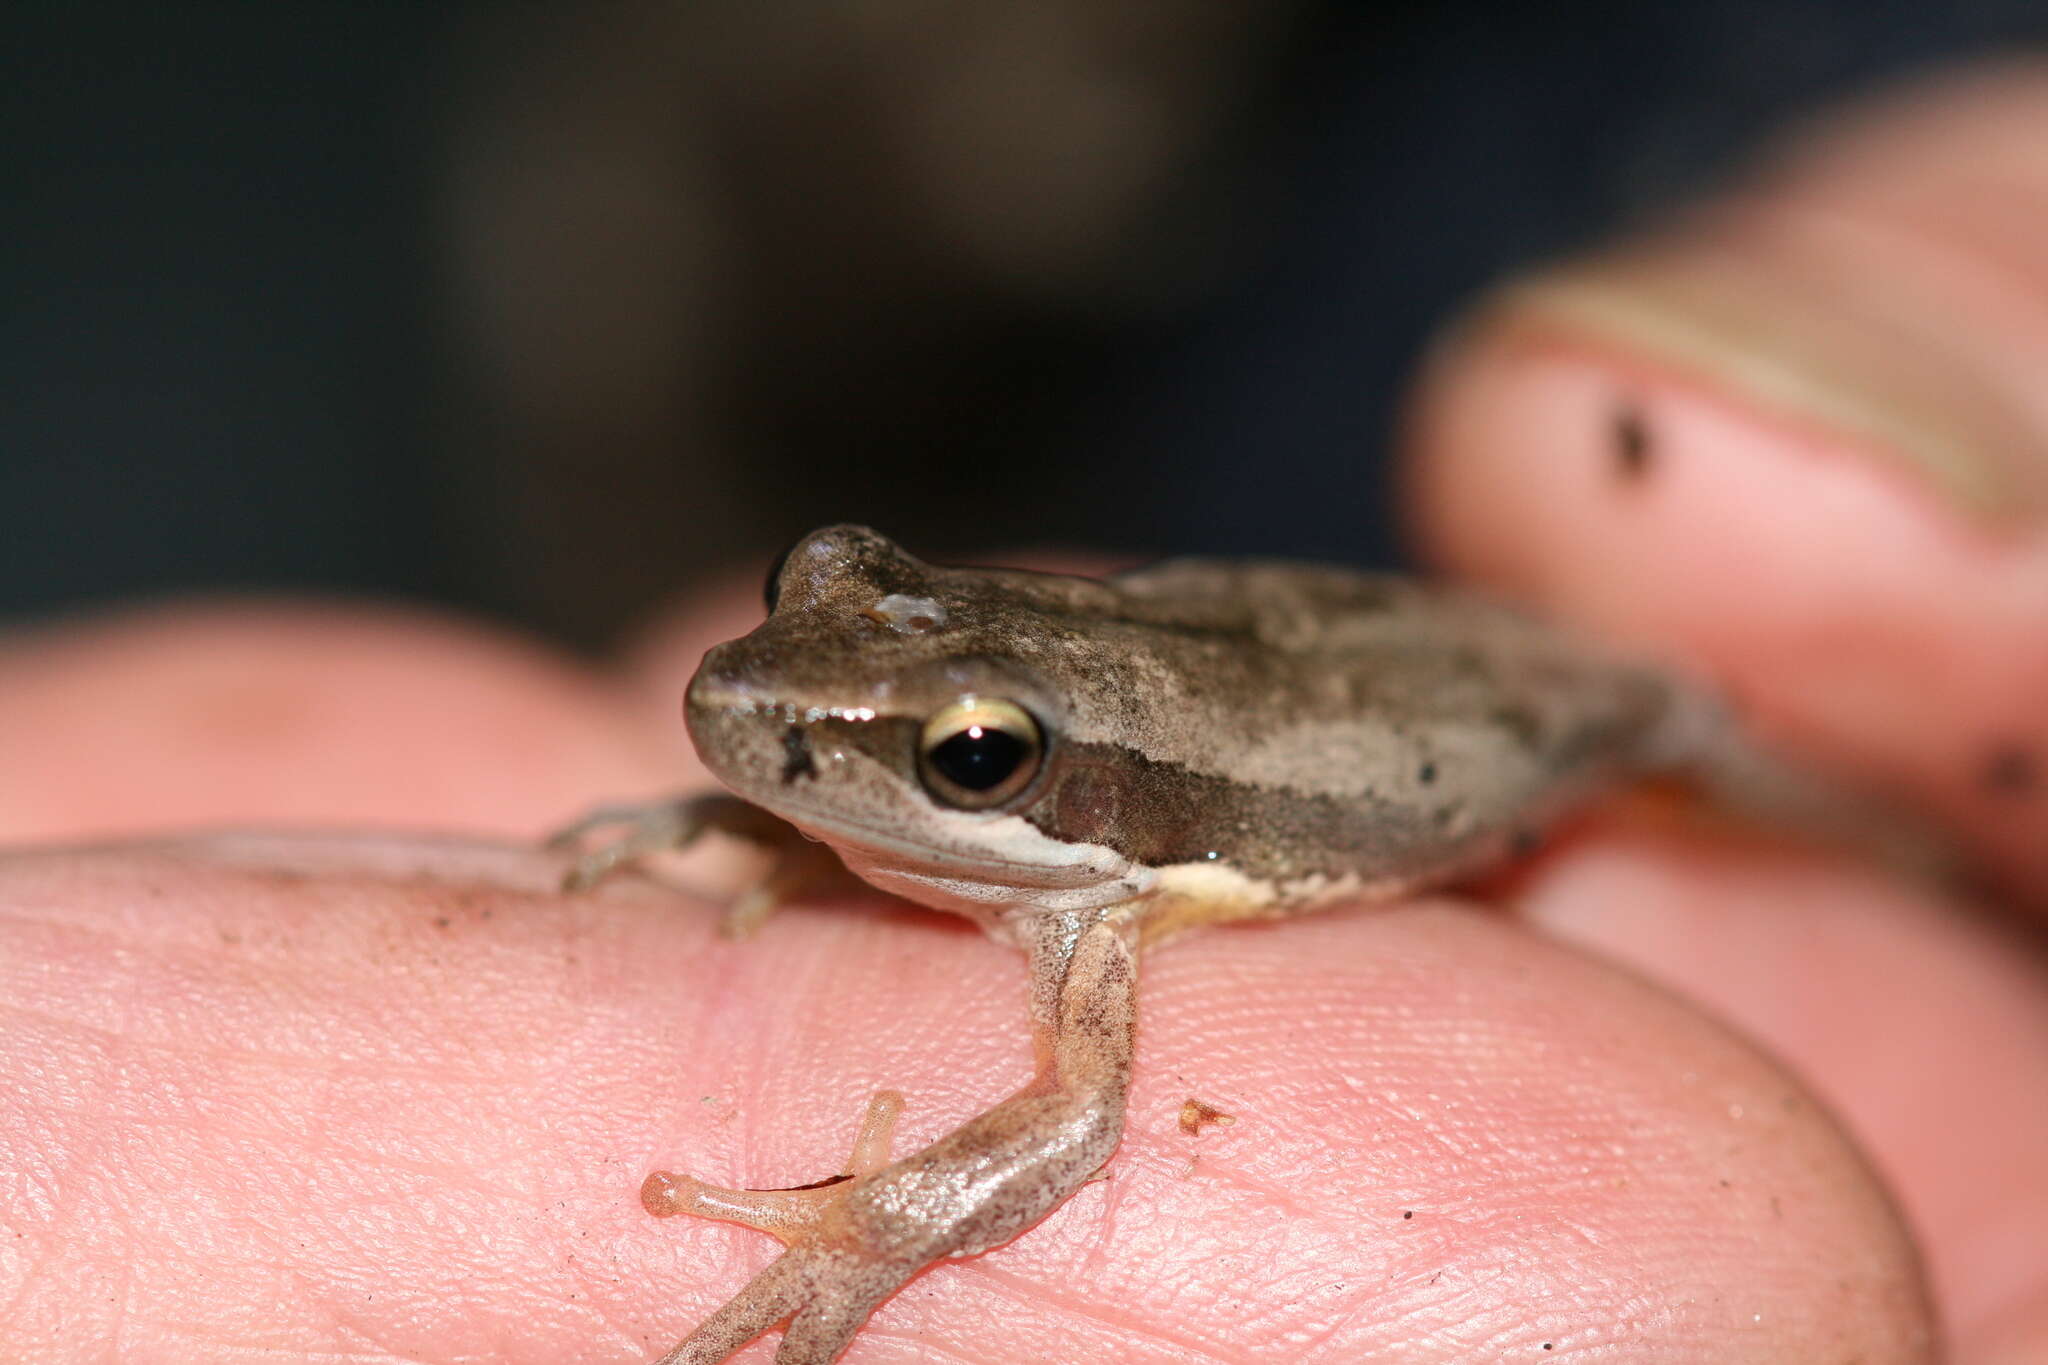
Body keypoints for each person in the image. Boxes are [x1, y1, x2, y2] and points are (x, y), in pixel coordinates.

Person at [3, 64, 2043, 1364]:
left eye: (961, 757)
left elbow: (1069, 1122)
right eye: (829, 597)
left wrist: (869, 1223)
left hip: (1491, 720)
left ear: (1052, 795)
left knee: (1709, 736)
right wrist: (749, 806)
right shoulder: (874, 716)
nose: (771, 709)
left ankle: (1894, 832)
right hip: (1220, 622)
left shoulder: (1102, 899)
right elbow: (825, 702)